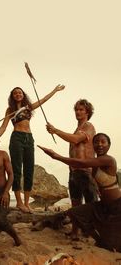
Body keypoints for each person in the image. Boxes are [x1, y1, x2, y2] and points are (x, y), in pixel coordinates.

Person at [38, 133, 121, 252]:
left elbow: (81, 164)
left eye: (103, 142)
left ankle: (104, 242)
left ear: (109, 145)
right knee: (75, 213)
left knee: (117, 244)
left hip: (116, 206)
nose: (99, 144)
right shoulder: (96, 162)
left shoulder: (108, 160)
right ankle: (100, 241)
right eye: (96, 142)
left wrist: (56, 156)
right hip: (103, 205)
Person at [0, 84, 65, 213]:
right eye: (15, 93)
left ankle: (27, 203)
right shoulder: (10, 110)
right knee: (16, 169)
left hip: (29, 139)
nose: (18, 94)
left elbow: (43, 99)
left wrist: (55, 90)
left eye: (20, 92)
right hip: (16, 138)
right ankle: (19, 202)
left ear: (23, 95)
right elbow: (4, 126)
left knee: (29, 170)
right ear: (12, 96)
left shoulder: (28, 108)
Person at [46, 99, 98, 239]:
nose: (78, 112)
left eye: (81, 109)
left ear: (87, 112)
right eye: (76, 109)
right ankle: (76, 231)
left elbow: (75, 139)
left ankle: (93, 233)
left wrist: (55, 131)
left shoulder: (88, 126)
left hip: (86, 170)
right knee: (75, 204)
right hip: (73, 171)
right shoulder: (77, 129)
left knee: (91, 204)